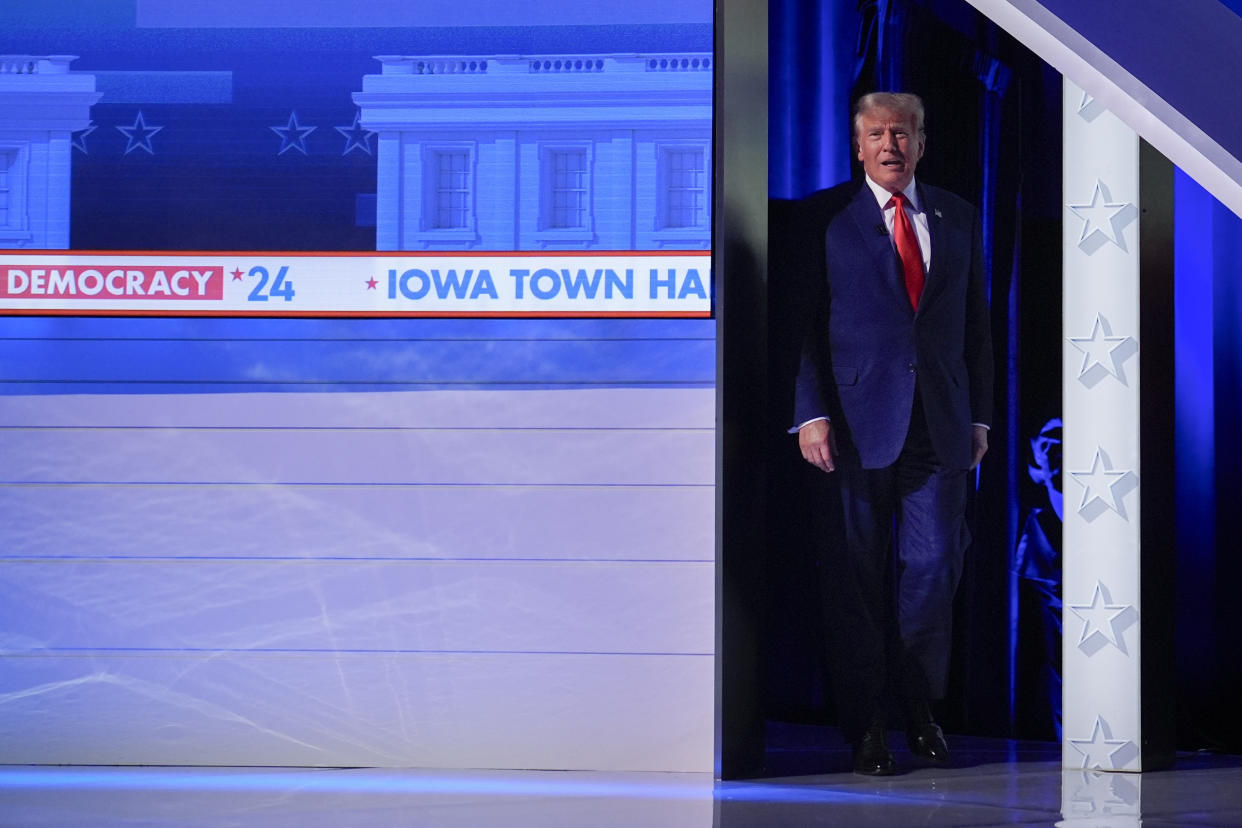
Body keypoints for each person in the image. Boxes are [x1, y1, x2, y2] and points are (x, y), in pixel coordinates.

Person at [792, 91, 993, 775]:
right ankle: (867, 724)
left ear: (921, 142)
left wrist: (979, 417)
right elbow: (803, 325)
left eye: (902, 133)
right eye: (877, 133)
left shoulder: (959, 217)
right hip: (849, 428)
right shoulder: (827, 220)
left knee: (934, 569)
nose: (890, 145)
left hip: (937, 427)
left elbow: (977, 328)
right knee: (855, 581)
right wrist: (809, 411)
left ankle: (920, 708)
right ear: (858, 146)